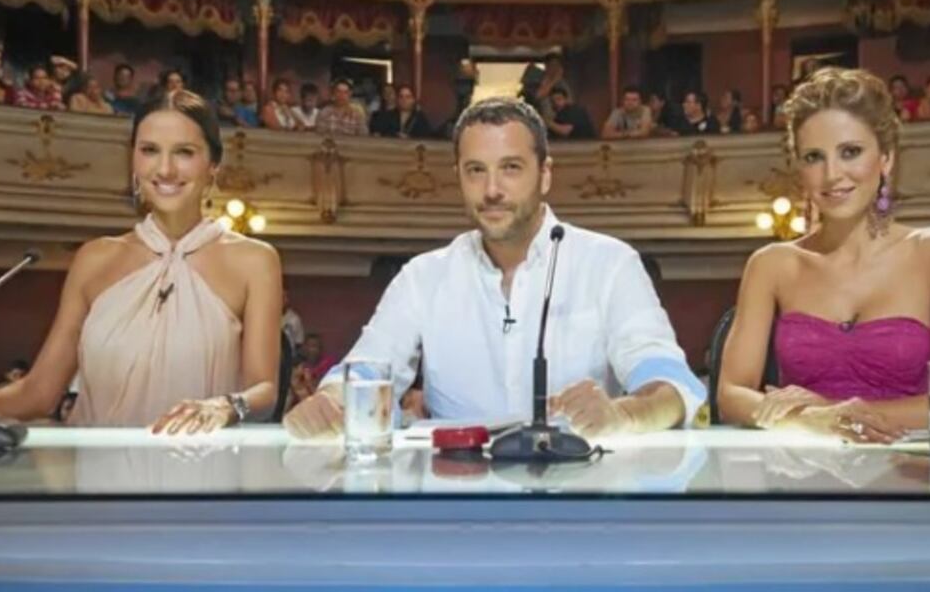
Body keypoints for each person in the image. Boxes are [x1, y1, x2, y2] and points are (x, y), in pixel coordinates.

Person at [284, 97, 705, 438]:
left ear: (544, 175)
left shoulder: (610, 264)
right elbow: (368, 369)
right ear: (458, 178)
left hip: (579, 508)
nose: (491, 191)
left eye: (511, 168)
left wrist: (625, 414)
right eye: (475, 172)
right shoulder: (422, 277)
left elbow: (671, 385)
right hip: (455, 509)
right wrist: (332, 401)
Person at [0, 91, 282, 433]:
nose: (166, 168)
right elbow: (40, 393)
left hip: (204, 486)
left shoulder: (254, 261)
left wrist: (227, 406)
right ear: (134, 162)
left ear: (213, 167)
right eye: (150, 150)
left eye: (185, 152)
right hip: (97, 490)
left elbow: (263, 390)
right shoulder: (95, 258)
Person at [717, 68, 930, 443]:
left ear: (885, 159)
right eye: (814, 157)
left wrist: (836, 414)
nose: (832, 174)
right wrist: (810, 420)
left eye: (850, 152)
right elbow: (731, 395)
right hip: (801, 474)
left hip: (904, 476)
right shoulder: (771, 264)